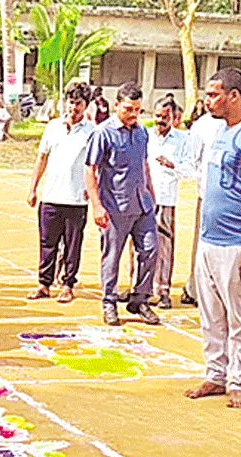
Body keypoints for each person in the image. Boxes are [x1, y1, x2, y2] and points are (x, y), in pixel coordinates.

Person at [184, 68, 241, 410]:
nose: (208, 101)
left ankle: (239, 380)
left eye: (214, 94)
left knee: (239, 315)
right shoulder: (220, 131)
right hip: (209, 239)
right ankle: (216, 374)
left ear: (234, 96)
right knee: (210, 314)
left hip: (237, 243)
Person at [85, 81, 160, 327]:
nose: (133, 115)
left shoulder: (141, 132)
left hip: (142, 204)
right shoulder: (102, 133)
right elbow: (90, 169)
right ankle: (109, 302)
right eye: (128, 109)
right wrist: (97, 205)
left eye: (138, 110)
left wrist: (151, 192)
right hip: (115, 205)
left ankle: (140, 299)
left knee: (150, 250)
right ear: (116, 105)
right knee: (112, 256)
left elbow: (144, 163)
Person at [27, 82, 94, 303]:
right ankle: (44, 283)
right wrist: (33, 187)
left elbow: (96, 166)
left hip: (76, 199)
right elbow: (42, 158)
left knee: (72, 246)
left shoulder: (92, 132)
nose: (73, 108)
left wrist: (92, 192)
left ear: (86, 106)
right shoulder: (53, 127)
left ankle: (67, 284)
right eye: (71, 102)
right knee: (47, 243)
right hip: (51, 197)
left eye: (78, 104)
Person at [145, 99, 193, 308]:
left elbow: (190, 170)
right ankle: (140, 289)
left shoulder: (183, 139)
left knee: (164, 246)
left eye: (165, 117)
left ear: (174, 118)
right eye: (157, 116)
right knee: (140, 246)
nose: (160, 121)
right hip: (144, 198)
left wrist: (172, 165)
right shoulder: (144, 136)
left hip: (165, 199)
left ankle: (163, 290)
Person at [181, 99, 227, 307]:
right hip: (207, 195)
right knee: (202, 245)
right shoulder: (202, 126)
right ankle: (196, 288)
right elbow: (194, 160)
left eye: (215, 95)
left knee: (228, 249)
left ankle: (221, 290)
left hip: (233, 198)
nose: (209, 101)